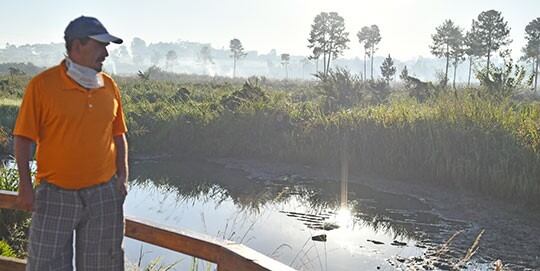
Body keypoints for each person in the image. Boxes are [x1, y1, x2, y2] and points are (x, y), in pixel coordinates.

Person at [13, 16, 128, 270]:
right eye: (100, 46)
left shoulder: (109, 86)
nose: (106, 53)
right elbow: (23, 138)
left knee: (103, 265)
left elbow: (118, 134)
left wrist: (123, 175)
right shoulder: (42, 86)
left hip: (103, 196)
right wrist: (24, 186)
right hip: (55, 194)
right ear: (77, 46)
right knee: (46, 265)